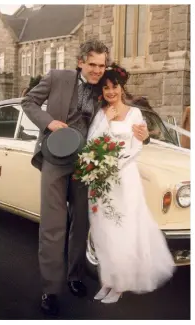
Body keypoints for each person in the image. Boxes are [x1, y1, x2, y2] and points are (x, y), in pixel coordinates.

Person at [21, 40, 150, 316]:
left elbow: (128, 114)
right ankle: (51, 289)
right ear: (80, 62)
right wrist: (49, 123)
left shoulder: (105, 87)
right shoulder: (57, 77)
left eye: (101, 65)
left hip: (86, 164)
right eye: (92, 64)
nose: (97, 70)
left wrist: (145, 135)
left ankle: (75, 276)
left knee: (81, 224)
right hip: (55, 160)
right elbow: (28, 101)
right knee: (53, 228)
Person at [87, 63, 176, 304]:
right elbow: (92, 142)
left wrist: (115, 166)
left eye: (114, 87)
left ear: (122, 88)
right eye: (106, 88)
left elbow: (136, 146)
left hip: (124, 179)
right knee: (103, 231)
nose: (110, 92)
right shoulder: (101, 113)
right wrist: (107, 120)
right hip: (102, 182)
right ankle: (107, 280)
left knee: (122, 231)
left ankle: (120, 285)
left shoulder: (135, 114)